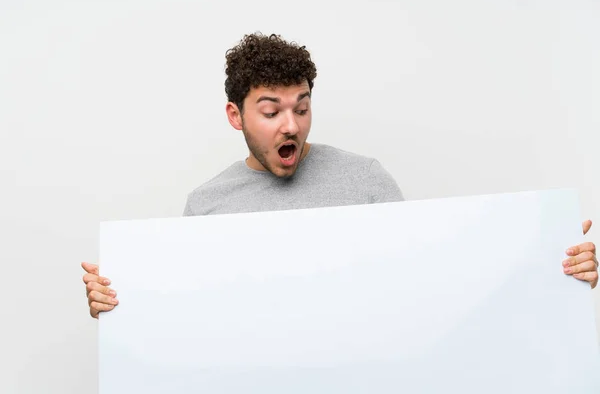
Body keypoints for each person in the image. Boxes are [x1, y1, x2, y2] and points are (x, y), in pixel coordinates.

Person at [81, 32, 598, 319]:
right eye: (271, 110)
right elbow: (186, 317)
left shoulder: (365, 178)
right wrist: (118, 302)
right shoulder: (206, 205)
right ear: (235, 116)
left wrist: (545, 262)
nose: (292, 125)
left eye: (302, 107)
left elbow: (435, 281)